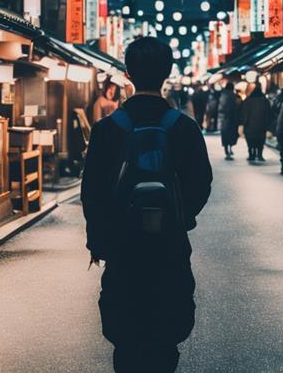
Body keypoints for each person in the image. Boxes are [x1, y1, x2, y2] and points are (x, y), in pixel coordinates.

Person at [82, 37, 212, 373]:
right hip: (169, 247)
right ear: (168, 73)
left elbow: (92, 193)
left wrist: (98, 241)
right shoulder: (184, 128)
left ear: (127, 73)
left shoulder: (107, 129)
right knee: (165, 338)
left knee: (126, 340)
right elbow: (201, 184)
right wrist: (179, 217)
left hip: (123, 249)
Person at [241, 83, 271, 162]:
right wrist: (267, 125)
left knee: (250, 141)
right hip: (261, 126)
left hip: (250, 126)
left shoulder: (248, 100)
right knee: (260, 141)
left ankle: (251, 154)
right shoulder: (265, 100)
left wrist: (243, 124)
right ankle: (259, 155)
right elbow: (268, 114)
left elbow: (244, 113)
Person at [217, 81, 240, 159]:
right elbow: (236, 107)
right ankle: (229, 150)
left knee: (225, 135)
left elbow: (220, 107)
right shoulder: (233, 95)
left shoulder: (223, 95)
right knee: (231, 135)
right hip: (232, 118)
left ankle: (227, 150)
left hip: (224, 118)